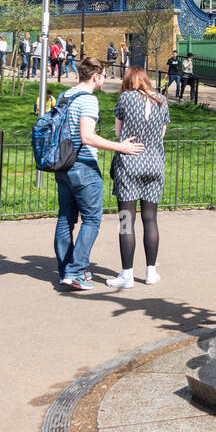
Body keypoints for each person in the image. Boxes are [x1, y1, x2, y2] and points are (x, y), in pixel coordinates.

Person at [53, 58, 144, 291]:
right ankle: (76, 271)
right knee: (92, 219)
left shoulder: (66, 95)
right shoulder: (88, 101)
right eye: (104, 75)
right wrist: (120, 146)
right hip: (83, 164)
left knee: (66, 218)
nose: (105, 79)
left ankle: (66, 269)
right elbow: (87, 137)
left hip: (62, 165)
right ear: (96, 76)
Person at [108, 67, 170, 289]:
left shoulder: (125, 98)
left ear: (128, 81)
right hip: (154, 164)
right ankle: (151, 272)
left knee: (126, 220)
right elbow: (162, 134)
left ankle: (127, 274)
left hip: (129, 163)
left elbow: (118, 134)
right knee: (150, 219)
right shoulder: (161, 99)